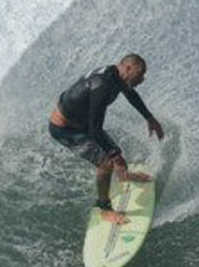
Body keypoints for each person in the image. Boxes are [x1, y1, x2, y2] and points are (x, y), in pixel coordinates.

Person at [47, 53, 166, 224]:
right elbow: (95, 130)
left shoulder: (115, 75)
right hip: (65, 129)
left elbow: (130, 94)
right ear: (128, 68)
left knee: (118, 158)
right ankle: (104, 208)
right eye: (140, 74)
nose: (142, 79)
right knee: (106, 162)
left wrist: (149, 117)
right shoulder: (102, 85)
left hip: (82, 124)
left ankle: (123, 175)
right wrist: (113, 155)